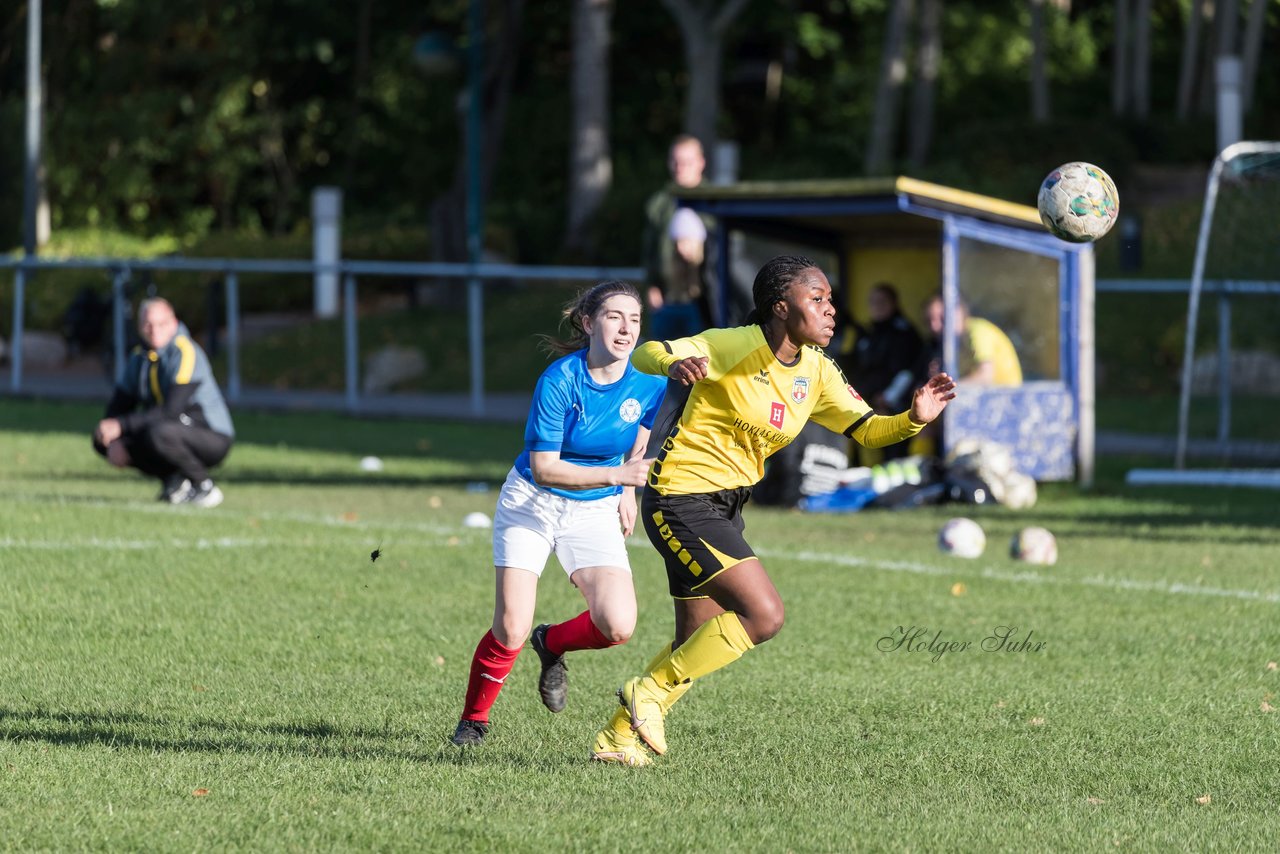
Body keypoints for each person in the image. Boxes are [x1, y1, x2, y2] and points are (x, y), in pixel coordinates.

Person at [589, 255, 956, 766]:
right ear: (781, 307)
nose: (832, 310)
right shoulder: (734, 344)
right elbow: (649, 352)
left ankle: (616, 738)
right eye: (818, 299)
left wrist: (913, 419)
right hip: (680, 498)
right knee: (764, 614)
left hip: (726, 505)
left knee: (695, 640)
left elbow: (868, 429)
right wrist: (674, 364)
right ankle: (647, 694)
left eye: (830, 300)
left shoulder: (818, 371)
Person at [450, 280, 667, 749]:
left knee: (618, 625)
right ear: (588, 323)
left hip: (594, 510)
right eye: (614, 317)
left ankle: (553, 643)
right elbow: (546, 470)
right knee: (510, 626)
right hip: (532, 502)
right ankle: (474, 721)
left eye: (634, 319)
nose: (626, 328)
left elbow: (642, 428)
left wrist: (627, 493)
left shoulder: (651, 380)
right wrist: (619, 480)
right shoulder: (559, 380)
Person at [93, 297, 234, 507]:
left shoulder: (186, 351)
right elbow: (119, 405)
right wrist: (112, 431)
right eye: (148, 324)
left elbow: (171, 411)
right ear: (140, 326)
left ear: (174, 323)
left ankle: (203, 486)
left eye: (161, 323)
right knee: (103, 438)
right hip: (169, 428)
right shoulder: (139, 358)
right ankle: (175, 482)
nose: (154, 329)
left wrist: (122, 425)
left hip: (211, 434)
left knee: (159, 433)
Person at [642, 134, 713, 340]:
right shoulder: (660, 204)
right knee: (661, 362)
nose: (680, 167)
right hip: (667, 300)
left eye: (687, 162)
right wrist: (652, 286)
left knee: (700, 364)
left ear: (701, 163)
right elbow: (649, 250)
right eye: (676, 161)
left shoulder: (714, 201)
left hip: (703, 301)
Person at [842, 283, 924, 461]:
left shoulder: (903, 333)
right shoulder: (868, 332)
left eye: (882, 302)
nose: (876, 306)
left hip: (891, 406)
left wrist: (887, 397)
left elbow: (908, 371)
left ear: (894, 303)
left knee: (888, 452)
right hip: (862, 402)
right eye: (872, 302)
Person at [919, 293, 1022, 387]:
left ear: (959, 312)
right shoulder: (956, 342)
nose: (934, 327)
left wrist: (945, 389)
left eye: (942, 318)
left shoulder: (978, 331)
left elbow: (985, 377)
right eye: (929, 321)